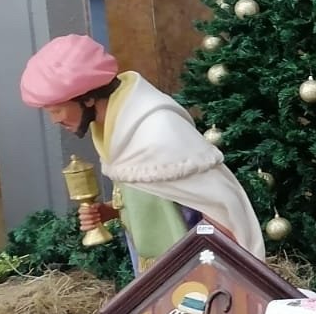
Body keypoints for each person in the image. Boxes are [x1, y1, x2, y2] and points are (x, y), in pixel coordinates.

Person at [20, 34, 265, 268]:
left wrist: (223, 273)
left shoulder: (157, 130)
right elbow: (155, 195)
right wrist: (109, 210)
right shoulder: (116, 129)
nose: (55, 120)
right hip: (156, 269)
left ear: (87, 98)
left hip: (192, 270)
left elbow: (215, 205)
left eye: (56, 110)